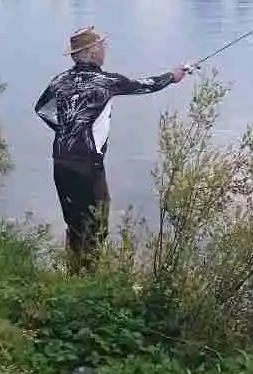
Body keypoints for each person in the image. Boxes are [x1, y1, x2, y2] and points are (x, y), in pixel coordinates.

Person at [34, 26, 189, 270]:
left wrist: (66, 131)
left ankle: (73, 275)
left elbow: (41, 109)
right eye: (102, 45)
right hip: (88, 164)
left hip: (61, 160)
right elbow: (146, 85)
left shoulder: (59, 81)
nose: (105, 49)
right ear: (92, 52)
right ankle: (89, 280)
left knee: (74, 223)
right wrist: (173, 75)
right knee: (97, 225)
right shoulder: (107, 82)